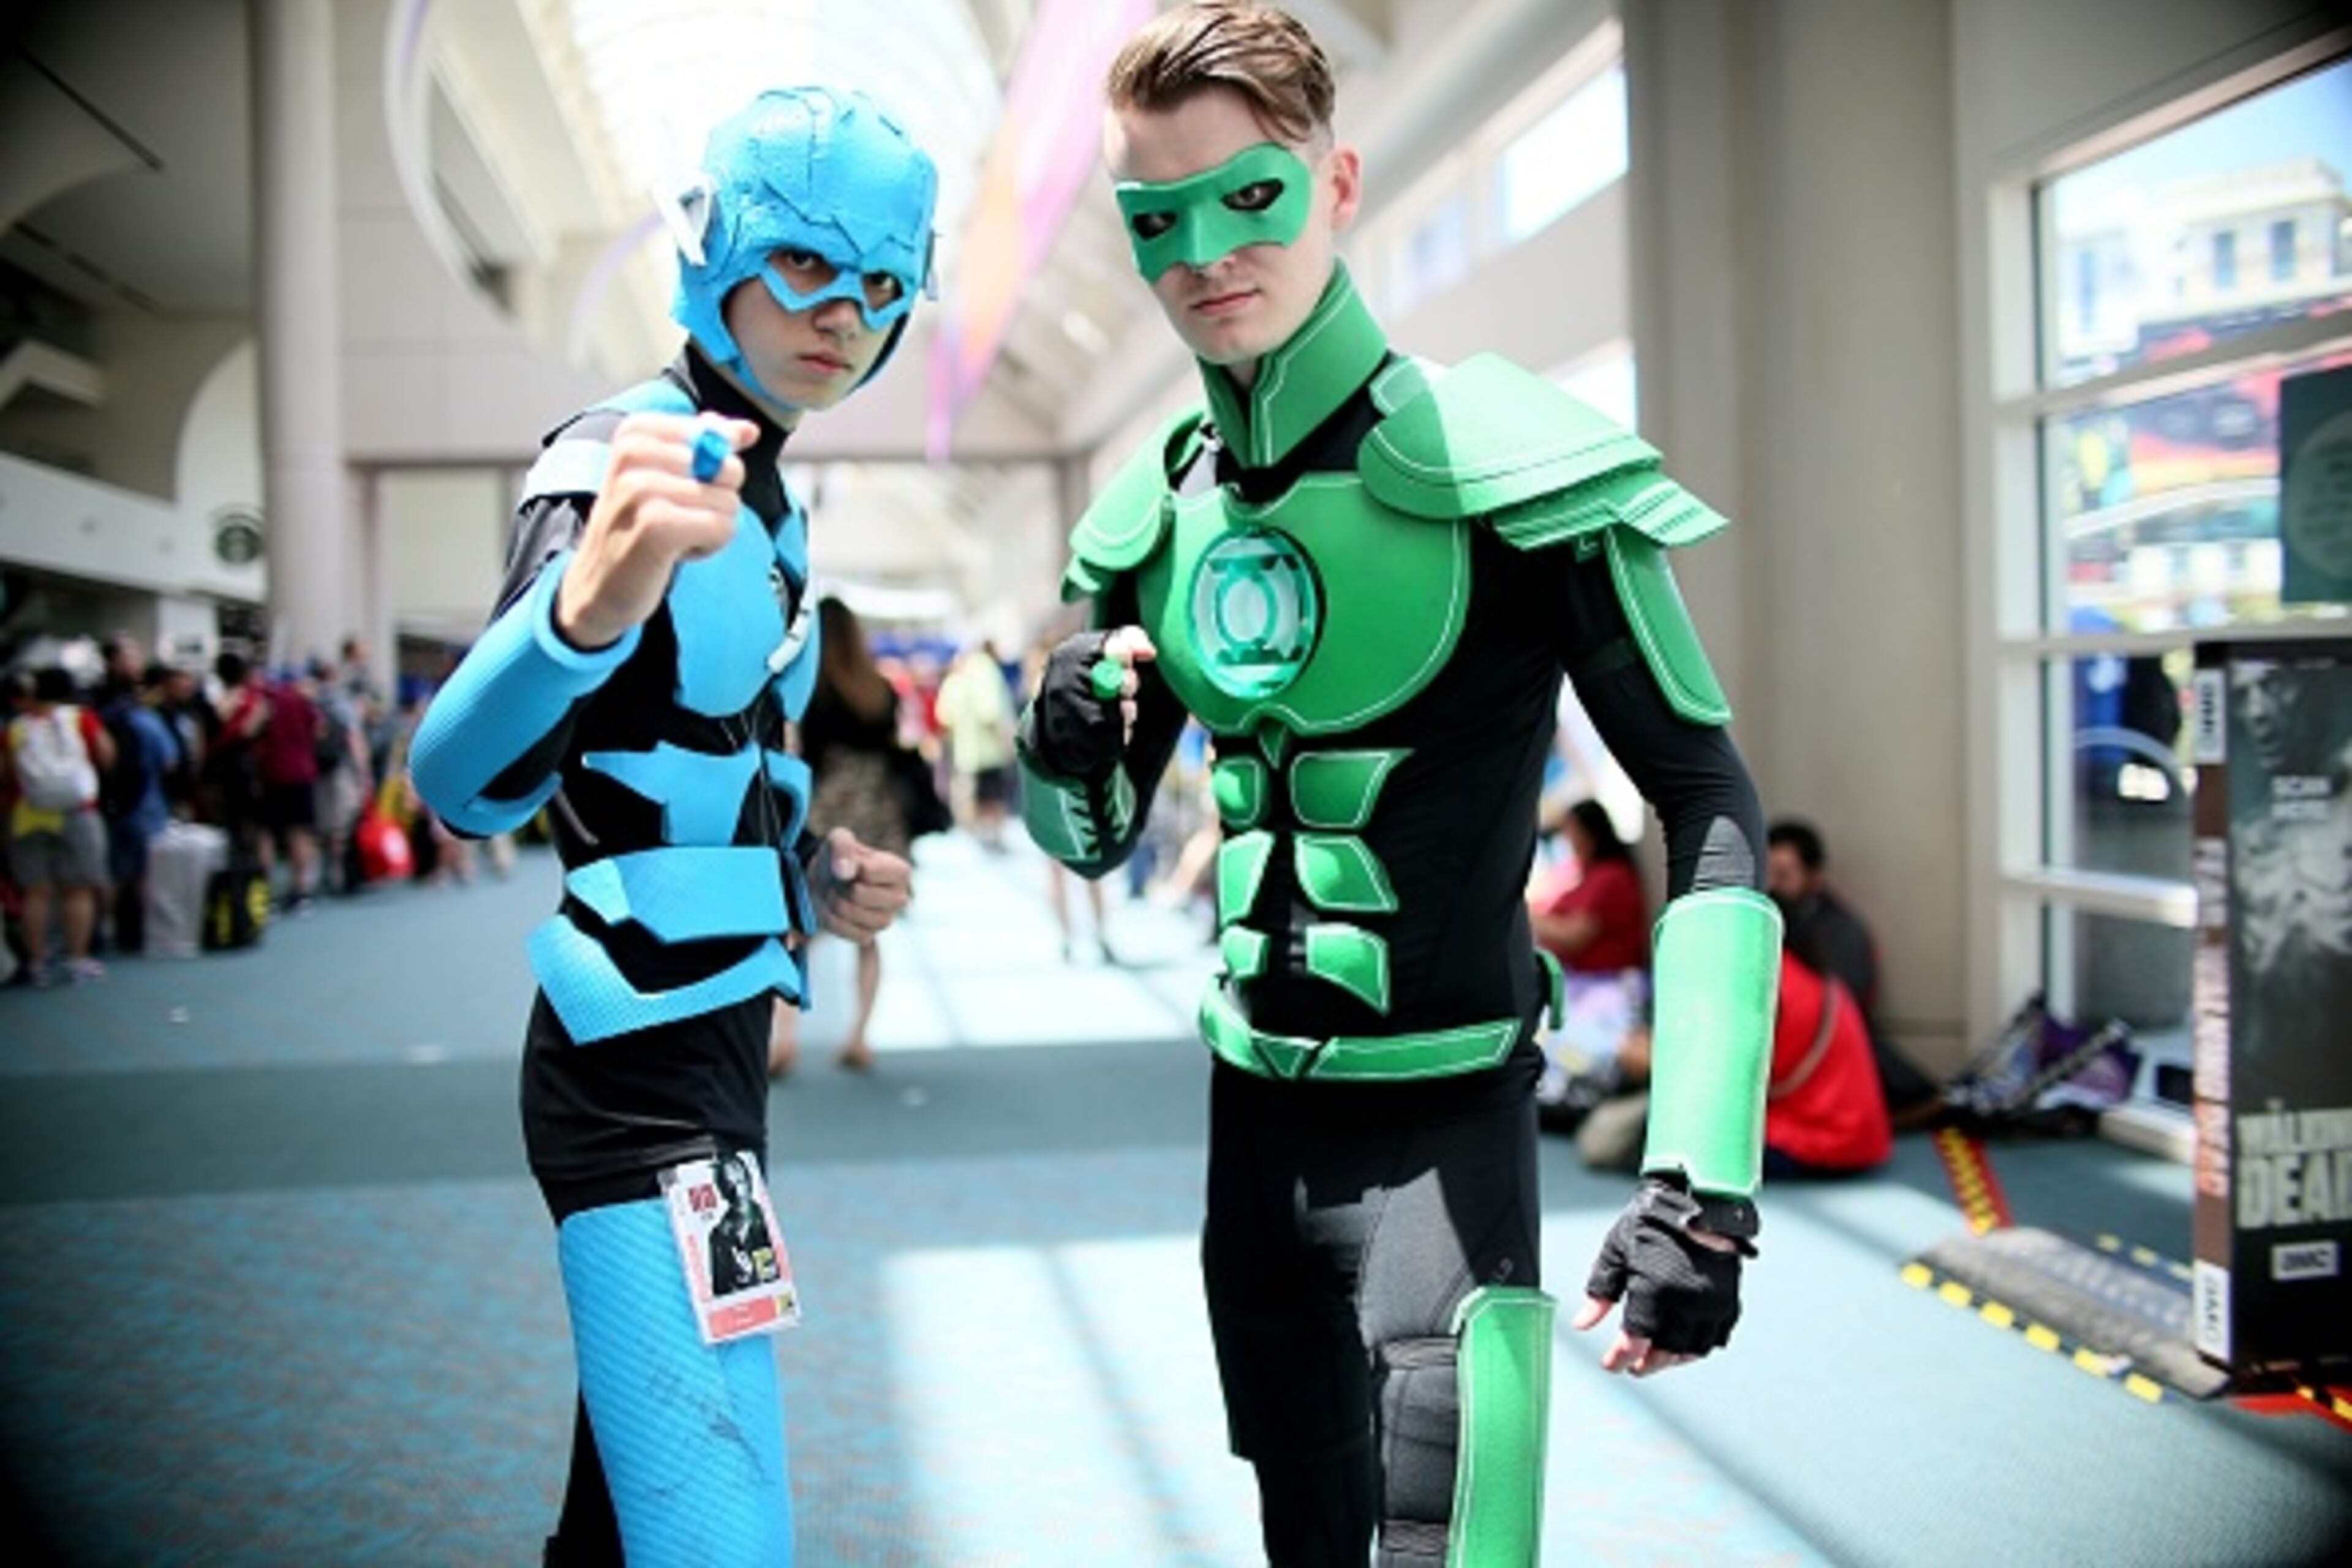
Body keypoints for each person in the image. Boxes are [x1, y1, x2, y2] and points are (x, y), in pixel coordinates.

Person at [1015, 9, 1779, 1562]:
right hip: (1248, 1132)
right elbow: (1089, 840)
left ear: (1338, 181)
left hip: (1446, 1131)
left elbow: (1700, 794)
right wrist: (1058, 744)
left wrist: (1700, 1179)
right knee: (1302, 1532)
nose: (1203, 254)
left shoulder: (1503, 465)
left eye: (1250, 198)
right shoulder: (1146, 512)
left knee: (1458, 1541)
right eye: (1156, 219)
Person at [408, 85, 933, 1567]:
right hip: (631, 1072)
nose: (844, 313)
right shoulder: (617, 459)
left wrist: (812, 874)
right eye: (806, 267)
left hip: (714, 1052)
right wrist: (577, 615)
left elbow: (696, 765)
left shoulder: (766, 486)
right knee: (717, 1520)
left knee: (630, 1505)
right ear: (716, 251)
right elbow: (457, 784)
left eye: (882, 285)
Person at [772, 595, 917, 1076]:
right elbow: (896, 749)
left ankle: (785, 1038)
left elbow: (804, 754)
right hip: (878, 812)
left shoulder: (815, 689)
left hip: (829, 813)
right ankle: (860, 1034)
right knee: (868, 930)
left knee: (801, 926)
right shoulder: (878, 688)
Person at [1766, 817, 1940, 1123]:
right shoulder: (1768, 921)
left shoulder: (1842, 932)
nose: (1772, 885)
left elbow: (1833, 1013)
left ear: (1814, 877)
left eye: (1784, 875)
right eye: (1767, 874)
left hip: (1825, 1066)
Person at [4, 666, 114, 986]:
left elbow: (8, 774)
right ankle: (77, 959)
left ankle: (38, 963)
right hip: (78, 810)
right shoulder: (81, 718)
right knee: (78, 890)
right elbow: (106, 755)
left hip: (30, 814)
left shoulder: (17, 728)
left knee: (36, 893)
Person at [1529, 798, 1650, 975]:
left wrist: (1525, 917)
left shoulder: (1612, 876)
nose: (1567, 838)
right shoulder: (1577, 871)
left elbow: (1574, 937)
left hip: (1606, 983)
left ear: (1591, 833)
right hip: (1576, 977)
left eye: (1572, 830)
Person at [933, 639, 1018, 849]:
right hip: (989, 750)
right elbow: (989, 711)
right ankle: (993, 835)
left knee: (971, 794)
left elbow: (944, 717)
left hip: (965, 750)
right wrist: (1005, 741)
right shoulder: (985, 670)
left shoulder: (955, 679)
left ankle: (977, 834)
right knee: (994, 796)